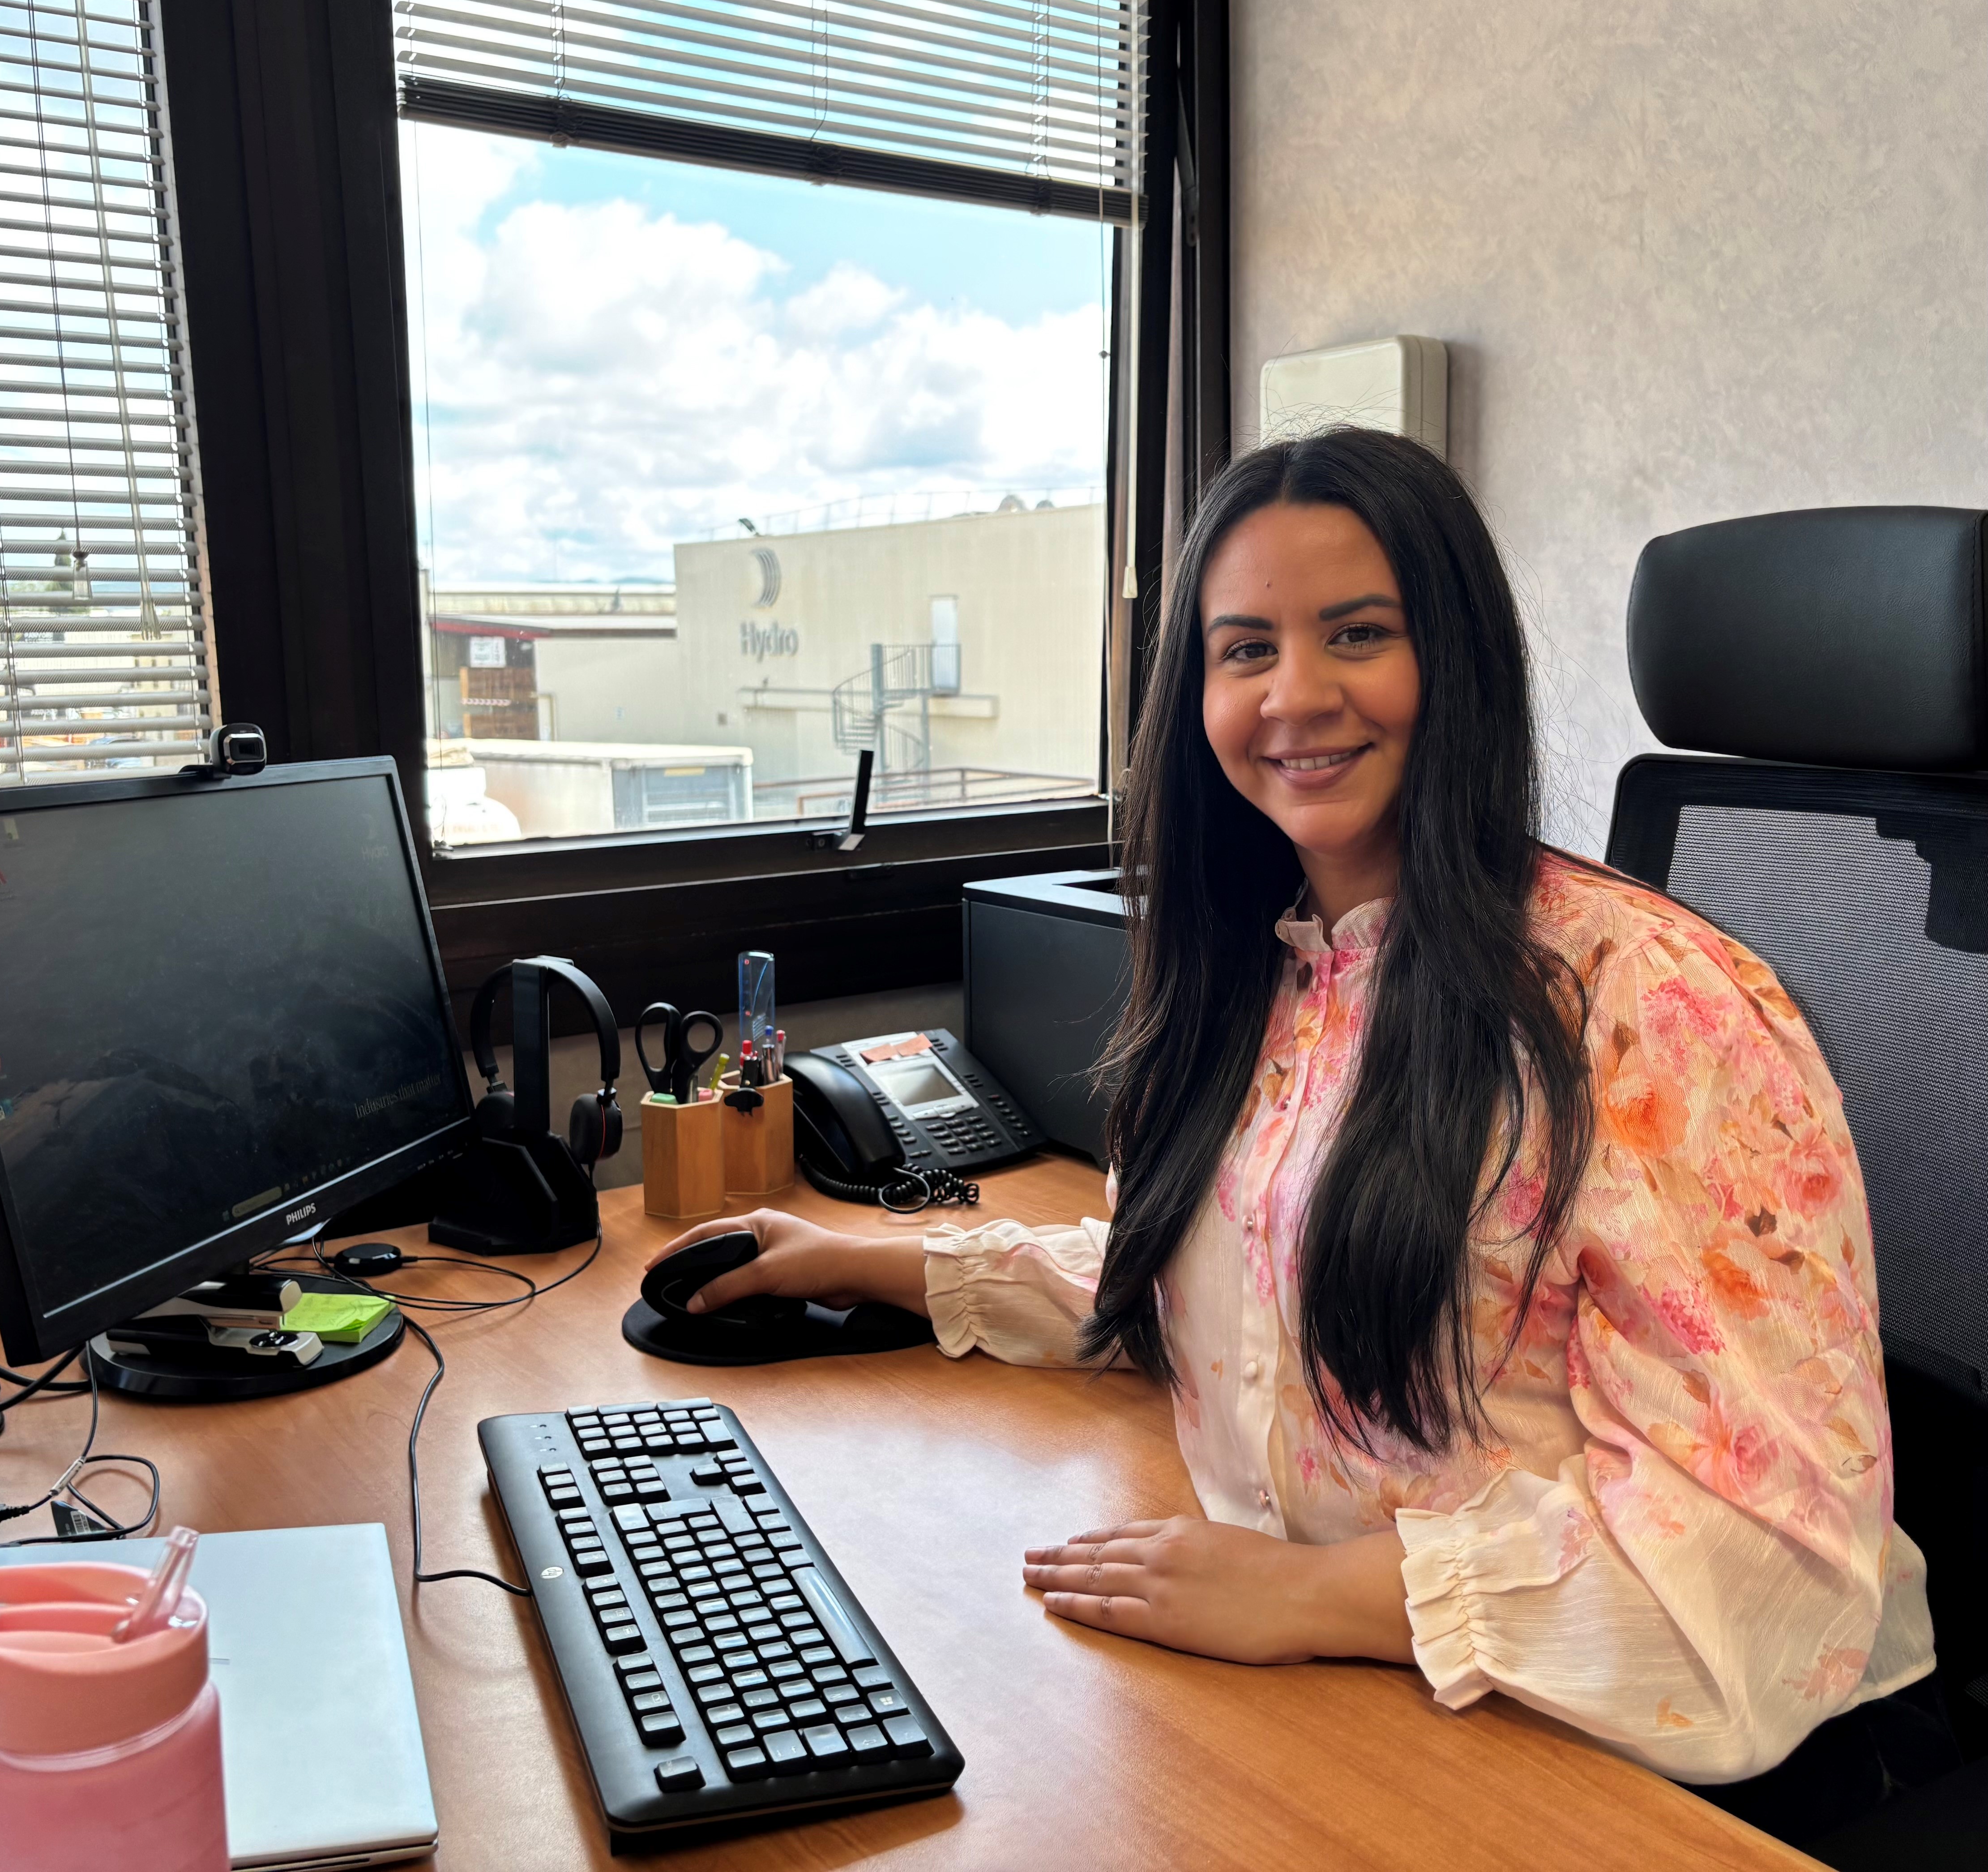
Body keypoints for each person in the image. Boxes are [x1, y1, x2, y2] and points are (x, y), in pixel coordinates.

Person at [646, 428, 1940, 1833]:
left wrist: (1307, 1595)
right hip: (1372, 1698)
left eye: (1357, 633)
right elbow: (1241, 1285)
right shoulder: (1257, 968)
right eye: (1244, 647)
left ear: (1453, 659)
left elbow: (1770, 1565)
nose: (1294, 695)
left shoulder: (1650, 1013)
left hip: (1639, 1760)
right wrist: (860, 1261)